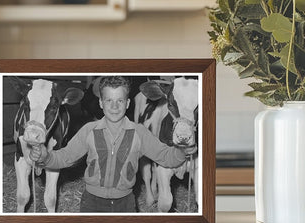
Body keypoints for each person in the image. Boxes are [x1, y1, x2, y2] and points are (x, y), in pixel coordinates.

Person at [30, 76, 196, 213]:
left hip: (125, 203)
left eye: (120, 101)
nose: (114, 106)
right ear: (101, 103)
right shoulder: (89, 130)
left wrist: (182, 151)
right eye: (109, 100)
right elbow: (64, 157)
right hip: (91, 203)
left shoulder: (139, 132)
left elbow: (166, 158)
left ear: (128, 103)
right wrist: (46, 156)